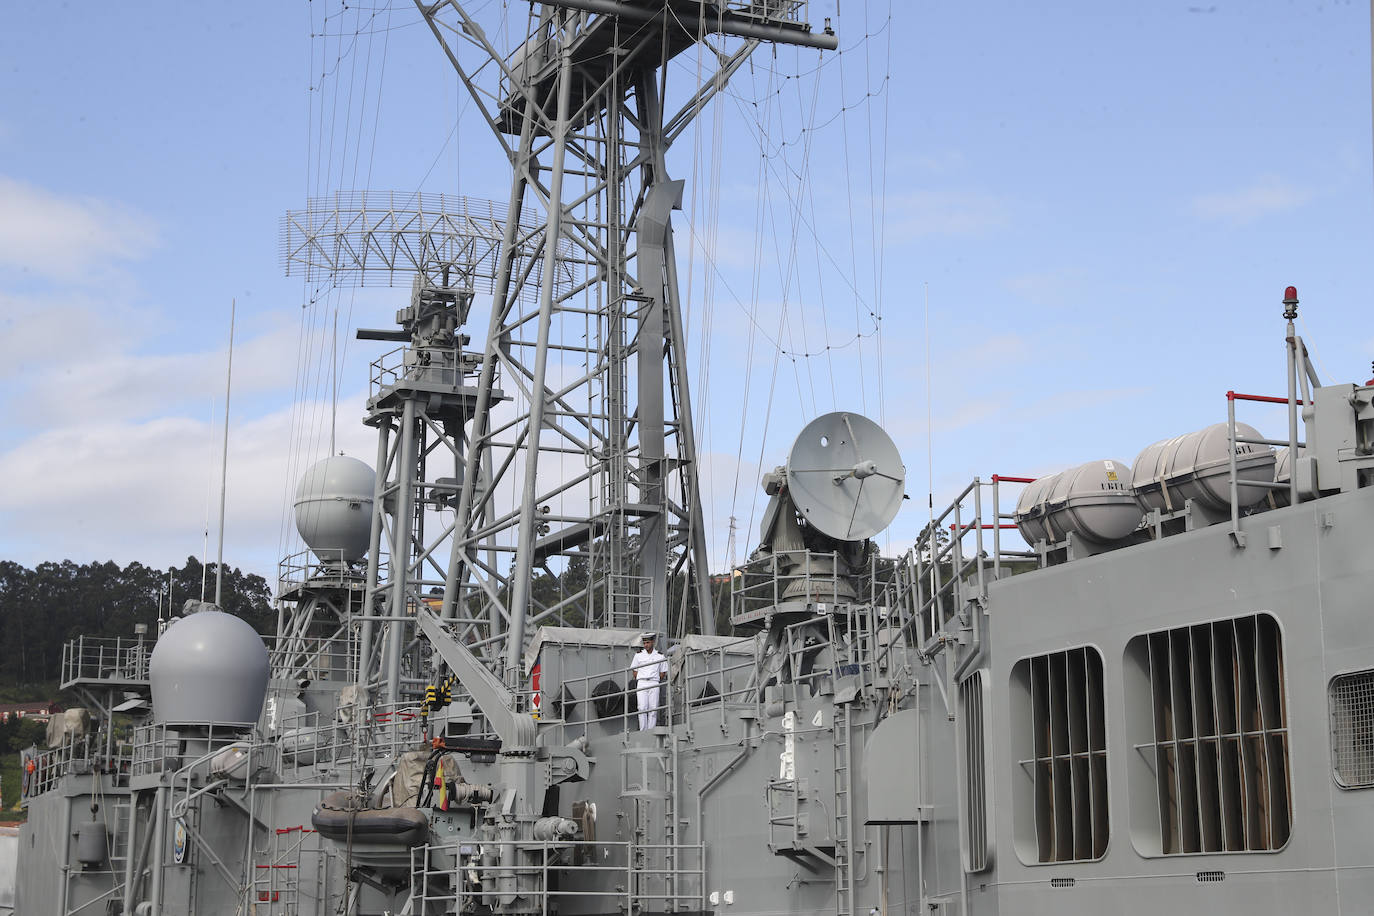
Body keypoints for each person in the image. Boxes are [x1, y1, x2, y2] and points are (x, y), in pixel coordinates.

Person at [629, 633, 668, 730]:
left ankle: (651, 730)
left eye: (648, 642)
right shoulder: (638, 656)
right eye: (644, 643)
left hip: (654, 683)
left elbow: (663, 672)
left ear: (653, 642)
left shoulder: (660, 656)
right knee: (642, 708)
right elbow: (634, 671)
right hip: (642, 683)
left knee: (653, 709)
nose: (646, 645)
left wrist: (653, 678)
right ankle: (643, 730)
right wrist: (643, 677)